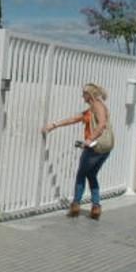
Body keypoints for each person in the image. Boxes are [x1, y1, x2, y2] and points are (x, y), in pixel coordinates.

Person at [42, 83, 113, 220]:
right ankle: (96, 207)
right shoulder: (92, 109)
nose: (82, 96)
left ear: (89, 94)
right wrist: (54, 125)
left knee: (81, 174)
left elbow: (102, 124)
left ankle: (75, 206)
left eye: (83, 93)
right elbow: (74, 119)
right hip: (105, 148)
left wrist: (89, 139)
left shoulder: (97, 106)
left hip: (95, 147)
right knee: (91, 174)